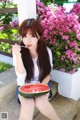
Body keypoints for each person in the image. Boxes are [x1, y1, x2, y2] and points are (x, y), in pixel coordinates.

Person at [12, 18, 60, 120]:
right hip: (24, 85)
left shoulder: (46, 51)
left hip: (42, 82)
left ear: (39, 35)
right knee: (28, 106)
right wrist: (18, 56)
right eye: (25, 36)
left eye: (33, 36)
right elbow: (21, 76)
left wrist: (43, 84)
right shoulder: (18, 52)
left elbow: (48, 72)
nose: (28, 41)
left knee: (41, 103)